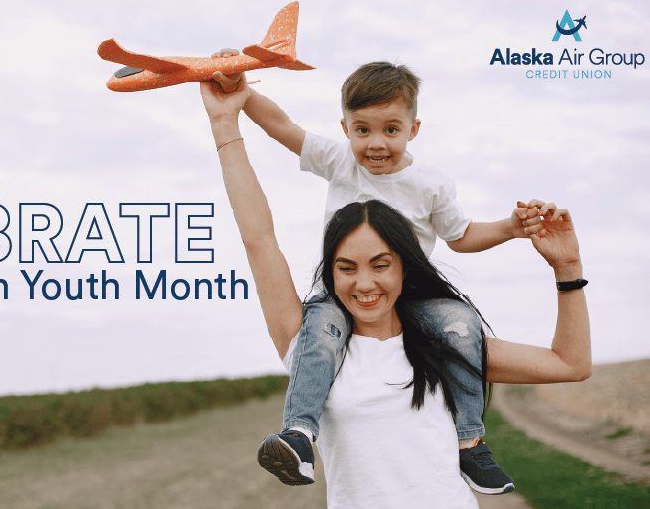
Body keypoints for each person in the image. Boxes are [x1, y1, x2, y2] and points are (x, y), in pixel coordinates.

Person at [199, 74, 591, 508]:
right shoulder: (313, 343)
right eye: (346, 268)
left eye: (381, 265)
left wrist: (567, 267)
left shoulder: (445, 342)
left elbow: (571, 365)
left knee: (460, 320)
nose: (364, 283)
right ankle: (299, 433)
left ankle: (472, 444)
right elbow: (258, 236)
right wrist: (226, 121)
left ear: (406, 266)